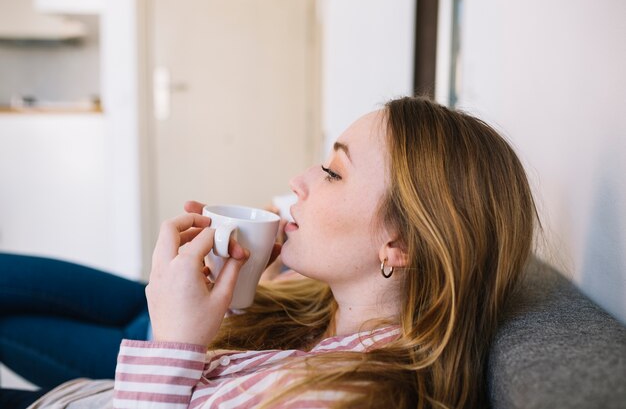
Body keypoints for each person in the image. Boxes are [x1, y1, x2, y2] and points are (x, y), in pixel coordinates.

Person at [0, 96, 538, 409]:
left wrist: (174, 340)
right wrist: (226, 291)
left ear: (399, 245)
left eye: (332, 172)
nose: (300, 180)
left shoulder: (347, 396)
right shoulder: (332, 318)